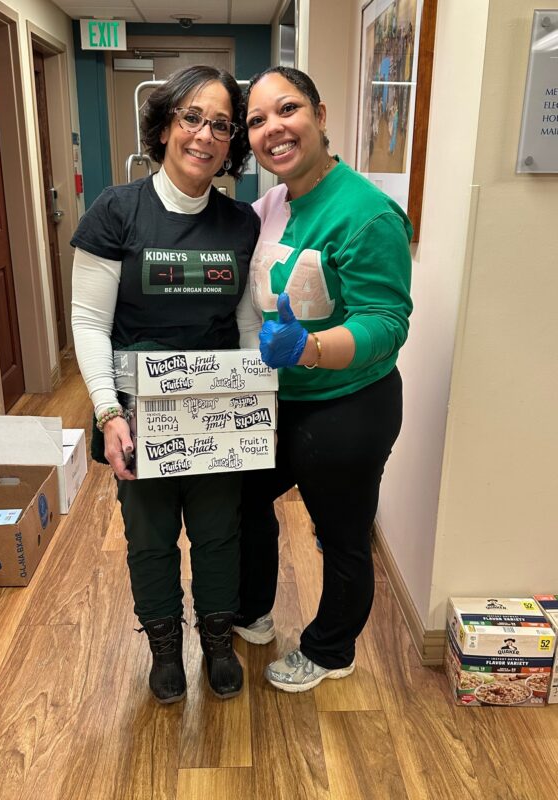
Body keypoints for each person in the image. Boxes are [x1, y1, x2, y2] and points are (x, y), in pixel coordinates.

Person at [71, 66, 260, 703]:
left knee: (218, 534)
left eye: (221, 124)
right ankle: (164, 647)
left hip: (215, 415)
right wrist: (106, 411)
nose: (205, 135)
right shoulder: (115, 211)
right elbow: (90, 321)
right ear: (165, 124)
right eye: (192, 118)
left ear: (231, 140)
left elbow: (243, 322)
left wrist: (255, 403)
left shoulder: (240, 224)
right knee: (149, 538)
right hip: (135, 411)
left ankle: (215, 641)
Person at [232, 67, 413, 692]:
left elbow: (387, 323)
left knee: (339, 534)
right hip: (278, 401)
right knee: (245, 501)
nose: (273, 129)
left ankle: (332, 649)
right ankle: (252, 609)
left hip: (347, 405)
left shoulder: (366, 214)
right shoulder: (275, 201)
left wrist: (309, 348)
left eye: (287, 110)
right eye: (257, 120)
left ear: (320, 113)